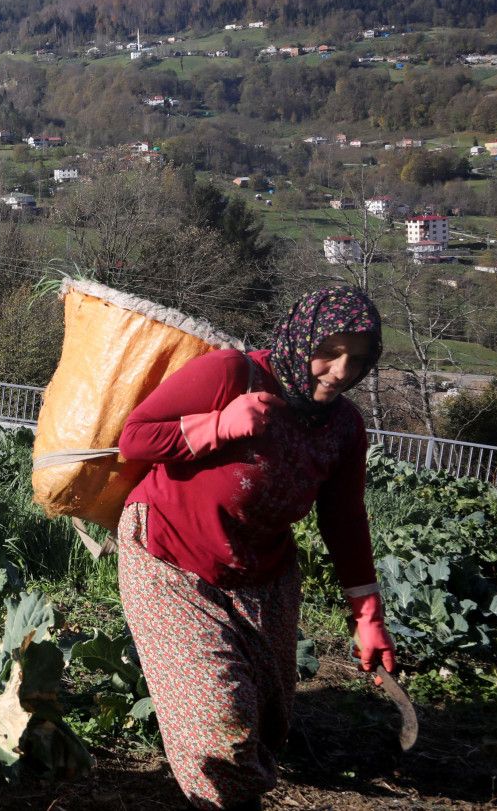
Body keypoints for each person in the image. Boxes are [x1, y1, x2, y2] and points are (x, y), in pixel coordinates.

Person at [116, 286, 395, 811]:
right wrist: (218, 426)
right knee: (221, 721)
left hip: (263, 572)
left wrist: (367, 615)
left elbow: (344, 520)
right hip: (171, 556)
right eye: (329, 352)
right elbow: (134, 437)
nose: (341, 372)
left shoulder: (344, 426)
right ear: (300, 338)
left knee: (268, 717)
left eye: (359, 359)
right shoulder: (230, 373)